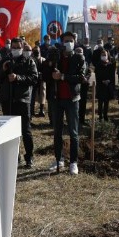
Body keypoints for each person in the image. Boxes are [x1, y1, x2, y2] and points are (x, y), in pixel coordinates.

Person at [0, 38, 38, 168]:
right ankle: (14, 156)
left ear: (22, 47)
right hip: (7, 100)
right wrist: (3, 70)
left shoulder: (29, 61)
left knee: (25, 130)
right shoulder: (5, 60)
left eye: (17, 47)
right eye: (13, 47)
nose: (15, 50)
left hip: (23, 100)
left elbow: (34, 78)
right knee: (9, 130)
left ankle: (29, 157)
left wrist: (18, 78)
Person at [49, 32, 85, 174]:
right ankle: (59, 159)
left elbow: (81, 77)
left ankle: (73, 162)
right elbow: (46, 73)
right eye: (66, 40)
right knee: (57, 131)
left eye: (71, 40)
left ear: (75, 42)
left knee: (73, 132)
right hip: (57, 99)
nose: (68, 43)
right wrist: (51, 72)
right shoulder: (56, 56)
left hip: (72, 99)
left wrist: (63, 76)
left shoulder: (79, 58)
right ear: (62, 42)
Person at [94, 49, 115, 121]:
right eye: (102, 55)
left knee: (106, 102)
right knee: (100, 102)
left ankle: (105, 115)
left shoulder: (110, 64)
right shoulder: (98, 64)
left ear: (107, 55)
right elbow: (97, 75)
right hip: (100, 85)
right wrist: (102, 81)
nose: (104, 56)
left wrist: (109, 81)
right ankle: (100, 116)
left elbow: (112, 75)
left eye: (105, 55)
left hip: (108, 85)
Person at [30, 46, 47, 117]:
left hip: (41, 79)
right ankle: (31, 111)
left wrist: (42, 74)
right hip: (33, 80)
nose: (37, 52)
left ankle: (41, 110)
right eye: (35, 51)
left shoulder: (43, 59)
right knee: (32, 95)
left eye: (38, 51)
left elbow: (46, 69)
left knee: (42, 94)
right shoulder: (31, 59)